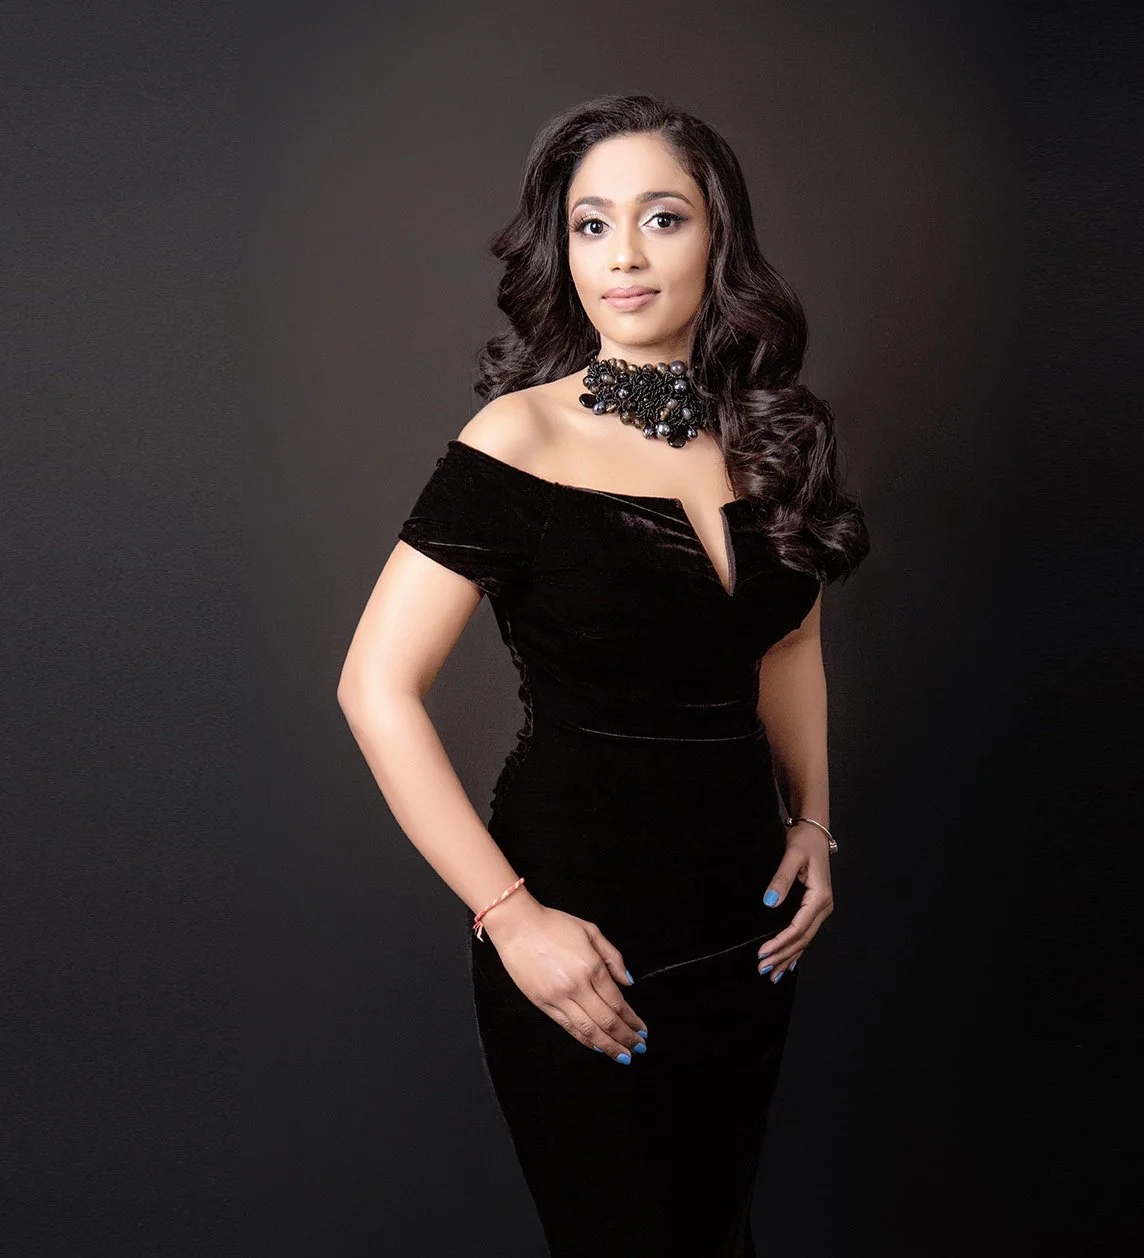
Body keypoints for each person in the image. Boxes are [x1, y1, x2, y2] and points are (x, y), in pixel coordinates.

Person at [337, 93, 870, 1256]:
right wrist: (510, 917)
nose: (623, 255)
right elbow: (374, 687)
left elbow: (787, 639)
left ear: (717, 237)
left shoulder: (775, 432)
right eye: (590, 225)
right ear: (560, 248)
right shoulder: (515, 441)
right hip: (583, 927)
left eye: (661, 217)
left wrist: (816, 822)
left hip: (747, 927)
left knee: (717, 1231)